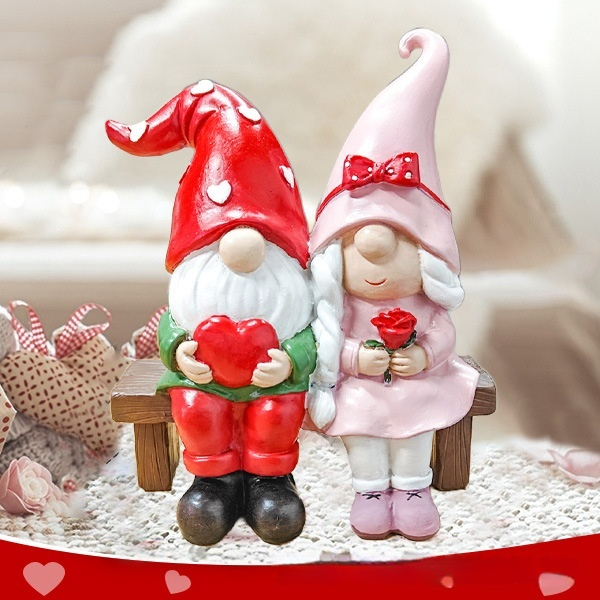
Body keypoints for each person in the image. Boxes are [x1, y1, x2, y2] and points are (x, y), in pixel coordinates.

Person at [106, 81, 315, 546]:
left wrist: (292, 360)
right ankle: (213, 483)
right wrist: (179, 352)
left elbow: (308, 337)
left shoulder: (294, 298)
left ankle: (270, 482)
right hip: (204, 383)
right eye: (220, 237)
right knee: (197, 410)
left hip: (273, 386)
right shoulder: (190, 293)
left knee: (277, 413)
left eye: (262, 236)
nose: (241, 250)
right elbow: (170, 327)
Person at [307, 29, 479, 541]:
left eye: (399, 241)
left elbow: (442, 331)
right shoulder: (340, 305)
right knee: (362, 431)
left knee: (414, 428)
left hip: (416, 385)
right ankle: (368, 491)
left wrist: (424, 355)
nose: (374, 254)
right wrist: (355, 357)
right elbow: (328, 340)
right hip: (361, 386)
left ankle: (412, 489)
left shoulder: (424, 299)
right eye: (355, 244)